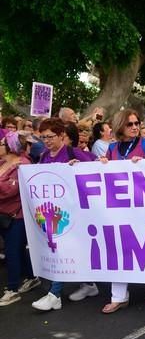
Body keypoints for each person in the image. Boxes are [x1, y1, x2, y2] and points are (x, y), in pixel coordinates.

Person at [99, 109, 145, 314]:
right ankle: (118, 297)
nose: (135, 127)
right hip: (120, 208)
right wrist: (100, 166)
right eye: (130, 124)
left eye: (137, 123)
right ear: (120, 127)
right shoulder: (113, 149)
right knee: (118, 249)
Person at [31, 118, 95, 311]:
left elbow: (97, 171)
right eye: (43, 137)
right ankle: (90, 285)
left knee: (63, 250)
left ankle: (54, 295)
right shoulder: (43, 156)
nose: (47, 141)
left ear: (61, 136)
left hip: (73, 214)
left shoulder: (74, 153)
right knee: (60, 250)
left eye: (50, 137)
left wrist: (80, 169)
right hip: (51, 213)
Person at [0, 132, 40, 307]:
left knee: (12, 251)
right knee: (16, 249)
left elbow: (9, 191)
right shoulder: (4, 163)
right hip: (4, 215)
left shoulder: (22, 164)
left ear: (10, 146)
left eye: (2, 142)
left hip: (16, 216)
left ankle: (12, 289)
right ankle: (32, 277)